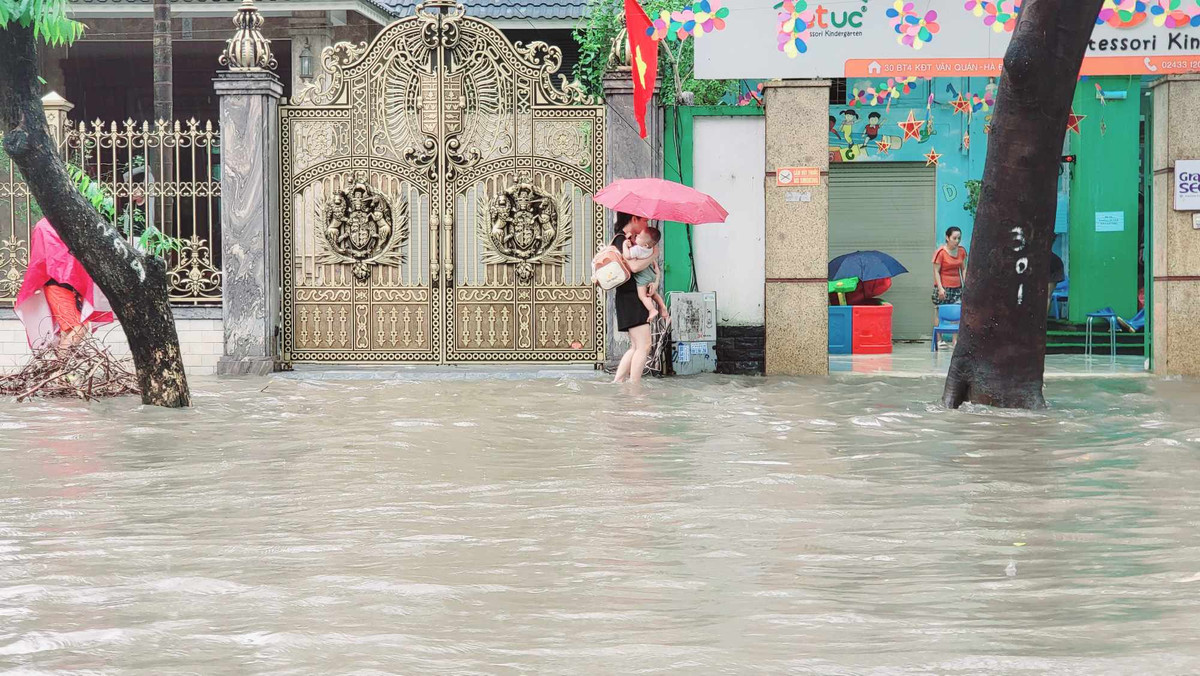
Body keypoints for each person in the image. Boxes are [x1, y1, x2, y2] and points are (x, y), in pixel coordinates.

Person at [14, 219, 114, 354]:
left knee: (68, 330)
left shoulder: (48, 225)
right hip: (59, 286)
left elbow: (40, 259)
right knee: (79, 327)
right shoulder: (62, 223)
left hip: (63, 285)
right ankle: (61, 371)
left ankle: (61, 369)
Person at [609, 212, 658, 385]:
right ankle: (634, 387)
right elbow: (635, 267)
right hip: (631, 297)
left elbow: (648, 271)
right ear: (634, 219)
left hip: (631, 297)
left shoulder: (630, 240)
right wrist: (654, 253)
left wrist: (655, 282)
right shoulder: (621, 240)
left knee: (637, 346)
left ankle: (619, 382)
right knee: (644, 345)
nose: (647, 223)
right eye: (644, 220)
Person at [623, 226, 670, 324]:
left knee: (643, 296)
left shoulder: (638, 249)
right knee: (653, 294)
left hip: (642, 276)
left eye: (639, 237)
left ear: (645, 244)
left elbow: (627, 255)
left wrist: (624, 245)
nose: (636, 237)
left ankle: (652, 310)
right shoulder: (651, 249)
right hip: (651, 273)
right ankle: (663, 306)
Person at [932, 226, 967, 344]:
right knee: (939, 311)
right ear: (947, 238)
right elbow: (936, 271)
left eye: (959, 238)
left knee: (956, 312)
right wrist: (940, 288)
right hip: (943, 286)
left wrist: (965, 283)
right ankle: (939, 340)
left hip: (957, 287)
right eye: (954, 238)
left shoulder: (961, 251)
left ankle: (955, 340)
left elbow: (963, 269)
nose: (957, 241)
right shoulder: (940, 253)